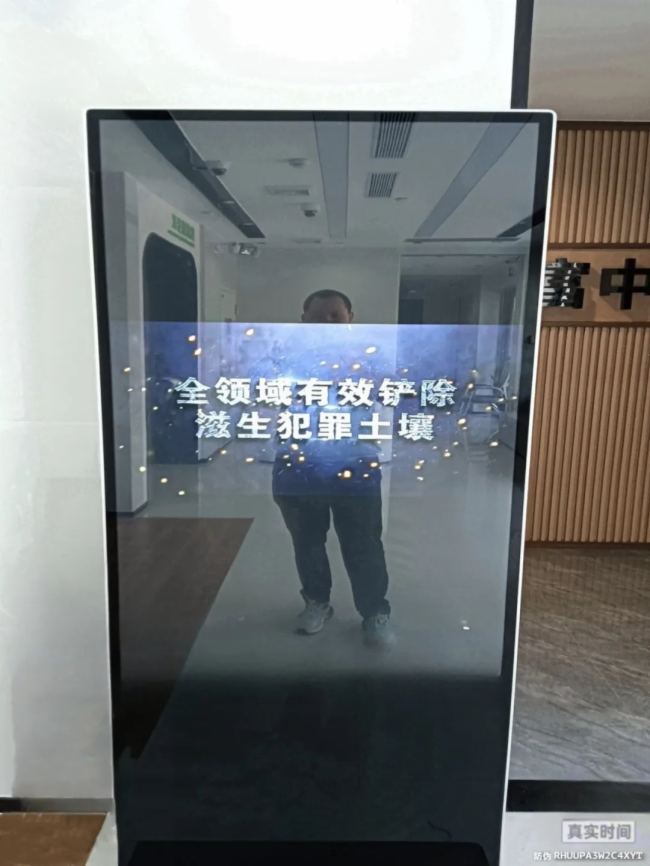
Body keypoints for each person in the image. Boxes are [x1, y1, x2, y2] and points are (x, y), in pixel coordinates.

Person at [272, 289, 394, 648]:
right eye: (317, 316)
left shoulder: (369, 353)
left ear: (350, 318)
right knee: (307, 541)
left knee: (364, 542)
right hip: (299, 463)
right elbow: (261, 389)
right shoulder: (285, 354)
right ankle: (317, 602)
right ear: (303, 319)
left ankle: (374, 612)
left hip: (355, 462)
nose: (326, 322)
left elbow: (389, 391)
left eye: (334, 316)